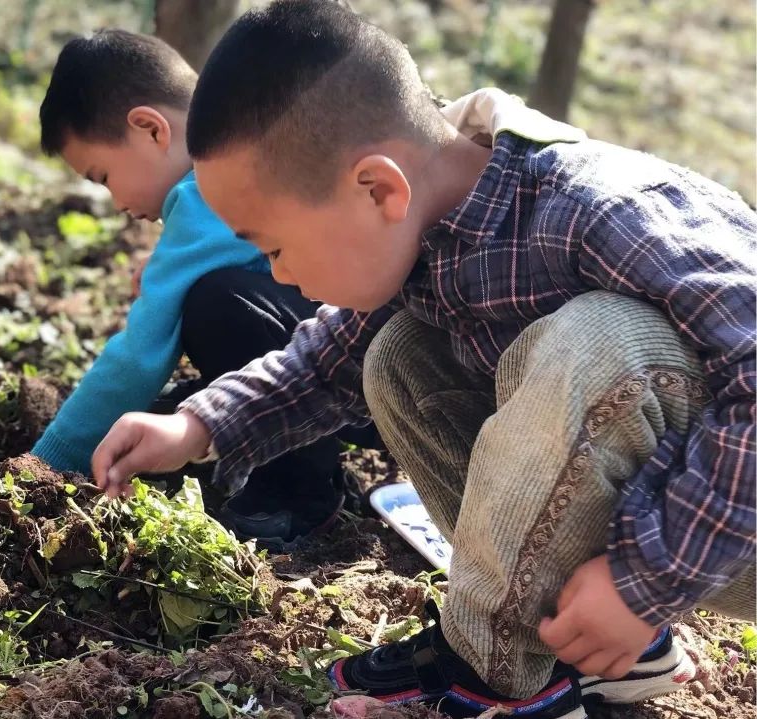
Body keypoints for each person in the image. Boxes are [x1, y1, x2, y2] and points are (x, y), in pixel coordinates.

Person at [90, 2, 756, 716]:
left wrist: (643, 579)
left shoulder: (598, 209)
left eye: (275, 248)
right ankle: (571, 656)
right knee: (399, 356)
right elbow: (322, 363)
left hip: (726, 527)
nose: (276, 277)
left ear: (378, 188)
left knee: (595, 342)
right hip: (676, 524)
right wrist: (197, 427)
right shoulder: (426, 239)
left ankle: (491, 680)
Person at [33, 28, 375, 546]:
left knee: (217, 301)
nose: (115, 200)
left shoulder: (201, 198)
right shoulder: (263, 148)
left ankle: (296, 492)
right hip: (371, 368)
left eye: (103, 176)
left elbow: (138, 357)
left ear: (151, 129)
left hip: (345, 378)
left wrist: (46, 464)